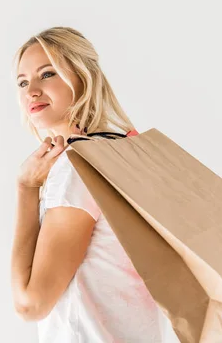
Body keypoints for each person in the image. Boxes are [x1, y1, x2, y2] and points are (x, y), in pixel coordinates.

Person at [10, 26, 168, 342]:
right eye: (23, 82)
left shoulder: (78, 166)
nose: (32, 91)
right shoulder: (121, 153)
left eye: (47, 74)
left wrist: (26, 189)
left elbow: (31, 304)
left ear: (83, 78)